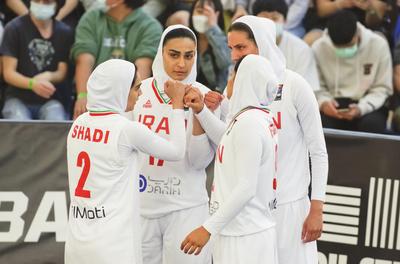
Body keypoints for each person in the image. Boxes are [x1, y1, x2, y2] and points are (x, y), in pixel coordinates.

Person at [193, 15, 329, 264]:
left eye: (241, 47)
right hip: (252, 213)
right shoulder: (234, 86)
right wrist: (203, 111)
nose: (234, 55)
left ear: (263, 44)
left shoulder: (296, 85)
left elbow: (318, 151)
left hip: (291, 206)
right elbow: (228, 141)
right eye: (230, 48)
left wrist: (317, 206)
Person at [65, 59, 188, 264]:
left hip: (77, 242)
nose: (140, 94)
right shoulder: (126, 129)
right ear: (119, 90)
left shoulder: (78, 122)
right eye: (137, 88)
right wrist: (177, 104)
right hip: (113, 246)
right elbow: (177, 151)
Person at [128, 25, 215, 264]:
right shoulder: (138, 92)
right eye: (174, 54)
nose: (181, 64)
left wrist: (200, 113)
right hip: (142, 207)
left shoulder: (206, 97)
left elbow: (200, 162)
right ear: (160, 53)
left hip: (186, 207)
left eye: (189, 56)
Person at [181, 54, 279, 264]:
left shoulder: (249, 124)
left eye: (233, 75)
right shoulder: (255, 117)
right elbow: (227, 138)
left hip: (244, 236)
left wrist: (207, 228)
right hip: (246, 230)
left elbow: (246, 187)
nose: (229, 81)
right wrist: (201, 110)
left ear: (245, 79)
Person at [71, 0, 162, 119]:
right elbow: (84, 59)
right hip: (95, 95)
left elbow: (142, 69)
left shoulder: (150, 26)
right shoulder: (91, 17)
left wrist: (130, 105)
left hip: (127, 95)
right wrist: (83, 96)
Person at [312, 10, 393, 134]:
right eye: (338, 48)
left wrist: (362, 108)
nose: (344, 50)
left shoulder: (378, 45)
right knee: (318, 125)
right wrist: (323, 103)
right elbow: (317, 86)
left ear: (357, 34)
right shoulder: (319, 48)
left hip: (368, 102)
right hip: (333, 102)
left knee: (372, 125)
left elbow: (382, 88)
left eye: (349, 45)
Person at [0, 0, 73, 120]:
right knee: (20, 124)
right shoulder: (14, 28)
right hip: (17, 99)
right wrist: (31, 84)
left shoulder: (64, 32)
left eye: (47, 2)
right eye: (37, 1)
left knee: (56, 123)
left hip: (51, 100)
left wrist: (49, 76)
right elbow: (8, 73)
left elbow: (62, 72)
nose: (41, 4)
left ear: (57, 4)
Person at [253, 0, 320, 91]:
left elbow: (306, 89)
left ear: (285, 20)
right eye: (264, 18)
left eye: (274, 18)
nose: (269, 23)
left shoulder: (301, 49)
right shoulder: (245, 47)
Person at [189, 0, 231, 92]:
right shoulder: (186, 39)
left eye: (208, 13)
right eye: (199, 11)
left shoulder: (225, 40)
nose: (203, 16)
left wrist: (213, 28)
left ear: (216, 16)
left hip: (216, 96)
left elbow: (226, 62)